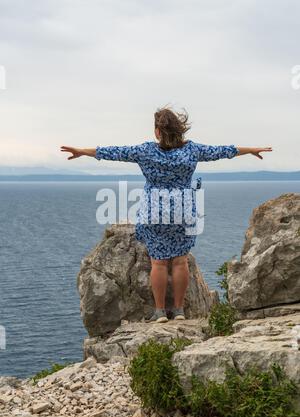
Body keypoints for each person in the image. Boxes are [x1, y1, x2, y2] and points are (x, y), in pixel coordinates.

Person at [60, 106, 272, 323]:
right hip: (184, 210)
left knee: (158, 263)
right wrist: (251, 149)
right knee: (180, 262)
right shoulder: (192, 150)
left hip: (155, 211)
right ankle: (179, 311)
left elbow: (113, 152)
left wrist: (82, 151)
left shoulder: (145, 151)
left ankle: (160, 312)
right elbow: (224, 151)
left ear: (158, 132)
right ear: (180, 130)